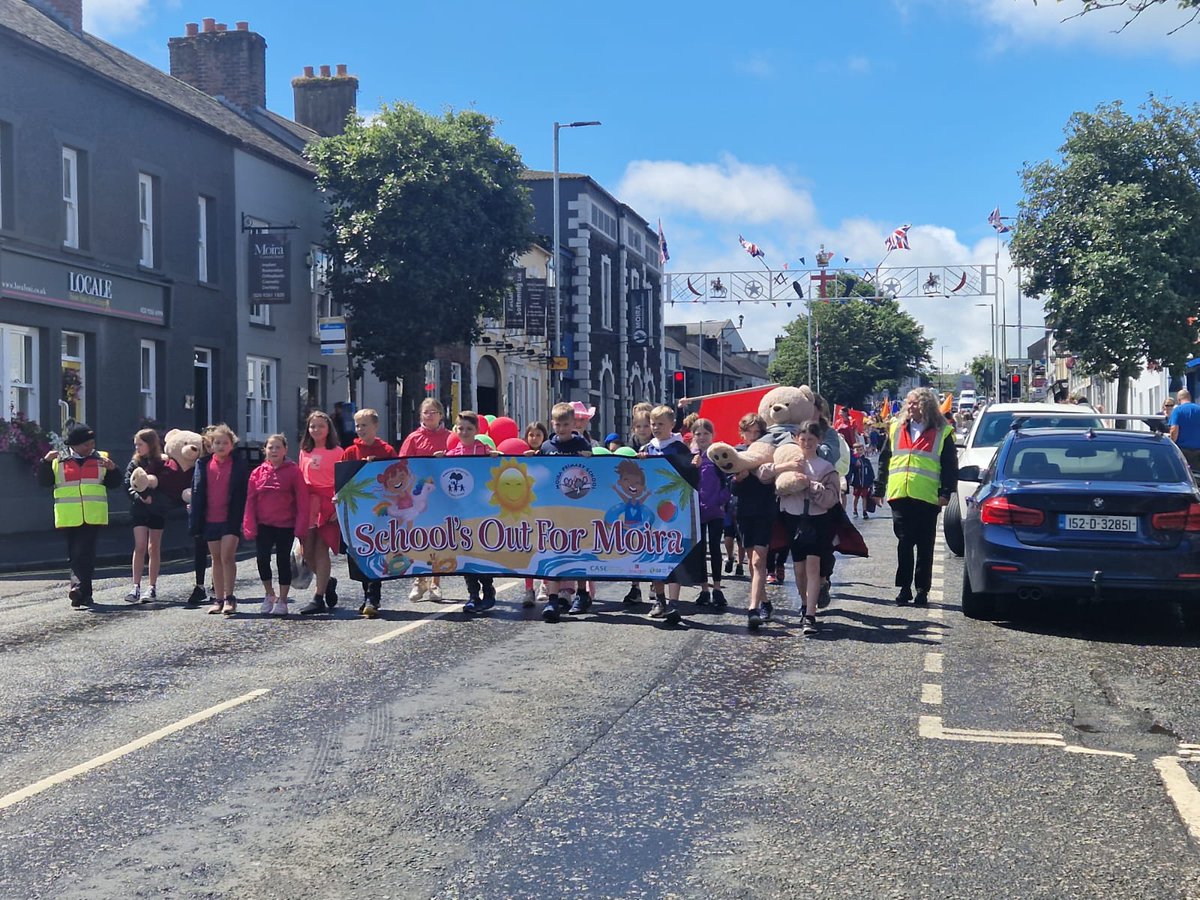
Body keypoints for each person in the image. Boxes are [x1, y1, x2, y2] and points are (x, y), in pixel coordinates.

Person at [875, 388, 958, 607]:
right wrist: (878, 488)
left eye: (915, 403)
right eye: (909, 403)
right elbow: (884, 459)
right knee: (904, 542)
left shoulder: (942, 432)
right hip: (900, 494)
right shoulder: (896, 427)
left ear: (927, 406)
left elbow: (950, 465)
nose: (910, 407)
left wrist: (946, 492)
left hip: (927, 496)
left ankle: (922, 589)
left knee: (924, 545)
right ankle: (904, 588)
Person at [758, 421, 840, 635]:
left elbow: (831, 498)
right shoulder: (787, 459)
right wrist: (785, 470)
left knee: (813, 566)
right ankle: (804, 604)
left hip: (817, 520)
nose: (806, 443)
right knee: (799, 568)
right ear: (796, 439)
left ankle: (810, 615)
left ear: (819, 440)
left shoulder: (826, 467)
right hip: (792, 519)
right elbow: (763, 474)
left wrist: (811, 486)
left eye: (811, 440)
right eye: (803, 439)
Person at [39, 423, 121, 609]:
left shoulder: (101, 459)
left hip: (93, 515)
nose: (91, 447)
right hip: (69, 516)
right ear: (74, 445)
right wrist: (44, 463)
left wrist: (113, 469)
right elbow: (44, 482)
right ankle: (85, 594)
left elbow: (114, 483)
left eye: (92, 443)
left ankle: (77, 588)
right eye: (86, 444)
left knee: (81, 552)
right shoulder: (58, 461)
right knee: (79, 554)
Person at [535, 401, 593, 622]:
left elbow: (592, 472)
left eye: (565, 424)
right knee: (554, 551)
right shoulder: (547, 447)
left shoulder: (581, 444)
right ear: (552, 423)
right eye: (557, 424)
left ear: (573, 424)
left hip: (577, 506)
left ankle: (582, 593)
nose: (561, 428)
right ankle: (552, 598)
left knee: (578, 549)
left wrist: (589, 459)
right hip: (553, 508)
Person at [440, 411, 499, 612]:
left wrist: (495, 458)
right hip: (460, 514)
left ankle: (488, 590)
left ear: (477, 430)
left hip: (481, 512)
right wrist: (437, 461)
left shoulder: (484, 450)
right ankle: (473, 594)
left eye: (469, 428)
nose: (464, 432)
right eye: (461, 428)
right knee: (464, 554)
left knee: (481, 552)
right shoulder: (452, 454)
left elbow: (496, 468)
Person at [243, 433, 308, 617]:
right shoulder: (257, 473)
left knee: (283, 562)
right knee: (262, 559)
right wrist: (249, 524)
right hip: (264, 524)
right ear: (265, 450)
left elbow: (302, 501)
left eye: (278, 447)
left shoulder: (294, 471)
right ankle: (269, 594)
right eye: (270, 447)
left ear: (285, 450)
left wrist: (301, 527)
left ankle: (283, 600)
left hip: (285, 525)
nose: (274, 450)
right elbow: (250, 501)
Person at [639, 404, 693, 624]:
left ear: (672, 425)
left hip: (675, 511)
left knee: (673, 555)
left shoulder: (679, 448)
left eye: (661, 424)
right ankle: (659, 600)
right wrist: (639, 461)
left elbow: (689, 475)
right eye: (653, 424)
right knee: (655, 555)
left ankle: (674, 603)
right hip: (652, 511)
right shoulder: (647, 449)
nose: (656, 427)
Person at [341, 408, 396, 618]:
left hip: (381, 510)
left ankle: (373, 596)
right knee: (360, 551)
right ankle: (367, 594)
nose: (360, 429)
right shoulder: (350, 452)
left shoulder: (387, 450)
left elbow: (397, 475)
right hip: (357, 510)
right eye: (357, 425)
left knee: (377, 550)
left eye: (364, 425)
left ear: (375, 426)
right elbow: (343, 479)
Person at [188, 424, 249, 616]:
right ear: (211, 445)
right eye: (217, 443)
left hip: (231, 518)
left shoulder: (239, 464)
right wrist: (194, 516)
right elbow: (196, 491)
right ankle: (219, 599)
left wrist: (246, 518)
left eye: (225, 443)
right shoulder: (203, 464)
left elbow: (245, 492)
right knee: (215, 559)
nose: (221, 446)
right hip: (209, 518)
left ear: (232, 444)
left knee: (227, 556)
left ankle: (230, 598)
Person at [400, 398, 450, 602]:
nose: (429, 415)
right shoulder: (413, 438)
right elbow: (402, 465)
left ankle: (435, 583)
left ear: (441, 415)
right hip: (417, 498)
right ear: (420, 415)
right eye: (426, 412)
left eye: (433, 412)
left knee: (438, 539)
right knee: (419, 539)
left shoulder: (450, 437)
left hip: (442, 496)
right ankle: (419, 580)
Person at [297, 410, 345, 615]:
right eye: (312, 426)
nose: (316, 430)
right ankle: (327, 581)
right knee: (307, 553)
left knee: (321, 549)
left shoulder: (338, 452)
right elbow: (300, 478)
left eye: (321, 426)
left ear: (328, 429)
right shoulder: (304, 451)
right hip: (309, 504)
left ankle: (318, 598)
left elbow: (343, 481)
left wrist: (338, 507)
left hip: (328, 503)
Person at [731, 413, 775, 626]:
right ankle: (765, 601)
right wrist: (738, 479)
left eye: (758, 432)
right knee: (752, 562)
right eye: (750, 431)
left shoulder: (768, 452)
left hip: (765, 510)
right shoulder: (736, 453)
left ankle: (753, 609)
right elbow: (729, 487)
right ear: (742, 433)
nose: (754, 435)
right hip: (743, 511)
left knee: (758, 561)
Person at [123, 427, 167, 603]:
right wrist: (140, 497)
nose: (137, 448)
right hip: (139, 509)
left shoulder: (162, 462)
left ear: (150, 444)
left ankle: (152, 587)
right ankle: (135, 586)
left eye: (140, 444)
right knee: (140, 546)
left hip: (156, 509)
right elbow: (128, 484)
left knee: (153, 547)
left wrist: (153, 498)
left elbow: (166, 484)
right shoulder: (134, 463)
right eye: (136, 444)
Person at [691, 417, 730, 608]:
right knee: (699, 551)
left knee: (715, 548)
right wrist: (693, 467)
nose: (702, 437)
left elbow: (728, 480)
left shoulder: (718, 455)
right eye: (698, 434)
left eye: (705, 433)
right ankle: (704, 589)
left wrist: (721, 500)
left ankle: (717, 588)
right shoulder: (691, 457)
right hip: (696, 510)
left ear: (712, 435)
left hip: (715, 510)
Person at [1169, 389, 1200, 471]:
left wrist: (1171, 443)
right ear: (1190, 397)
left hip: (1183, 450)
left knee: (1184, 473)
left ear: (1178, 399)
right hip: (1198, 451)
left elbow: (1174, 430)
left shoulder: (1178, 410)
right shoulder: (1199, 409)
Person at [847, 445, 876, 519]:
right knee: (856, 496)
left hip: (865, 483)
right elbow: (850, 471)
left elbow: (870, 471)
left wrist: (872, 480)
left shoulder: (866, 461)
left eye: (861, 450)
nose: (859, 452)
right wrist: (850, 479)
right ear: (854, 451)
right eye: (857, 450)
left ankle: (864, 511)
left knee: (864, 497)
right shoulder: (854, 461)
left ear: (863, 450)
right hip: (857, 483)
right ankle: (855, 510)